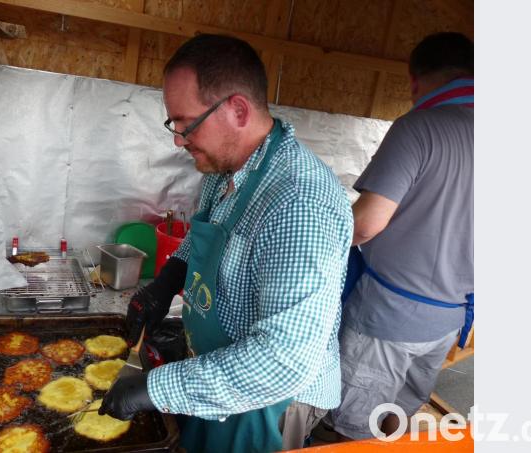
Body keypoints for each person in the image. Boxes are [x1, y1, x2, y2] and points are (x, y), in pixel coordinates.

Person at [98, 33, 353, 452]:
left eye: (186, 124)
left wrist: (155, 389)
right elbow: (205, 235)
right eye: (173, 124)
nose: (178, 140)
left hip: (270, 400)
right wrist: (167, 280)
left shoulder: (298, 204)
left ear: (237, 109)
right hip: (217, 367)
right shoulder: (226, 168)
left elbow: (282, 361)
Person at [324, 32, 474, 440]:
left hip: (386, 319)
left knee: (351, 429)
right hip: (449, 320)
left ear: (414, 80)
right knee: (399, 415)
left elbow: (364, 225)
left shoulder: (419, 127)